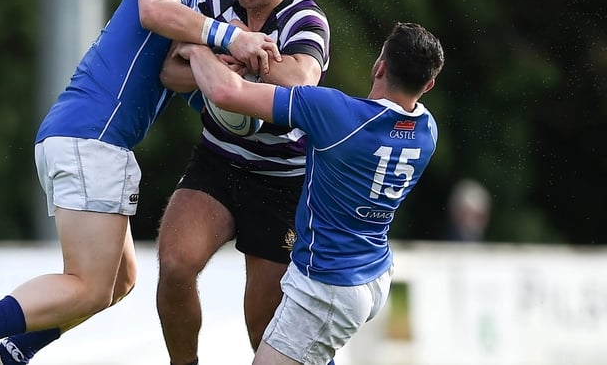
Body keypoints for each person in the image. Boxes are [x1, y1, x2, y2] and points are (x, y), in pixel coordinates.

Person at [0, 0, 281, 365]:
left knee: (119, 281)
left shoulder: (183, 40)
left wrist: (232, 73)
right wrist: (230, 37)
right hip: (92, 141)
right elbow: (153, 9)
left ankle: (9, 353)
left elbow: (189, 83)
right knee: (89, 284)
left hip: (79, 139)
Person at [173, 21, 445, 364]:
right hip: (373, 271)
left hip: (329, 283)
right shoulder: (427, 130)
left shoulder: (336, 114)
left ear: (380, 67)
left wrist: (197, 48)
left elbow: (226, 93)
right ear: (428, 84)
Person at [155, 0, 330, 365]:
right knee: (175, 265)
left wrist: (240, 56)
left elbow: (301, 80)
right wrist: (209, 52)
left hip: (281, 179)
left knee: (262, 327)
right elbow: (169, 71)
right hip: (217, 160)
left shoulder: (306, 19)